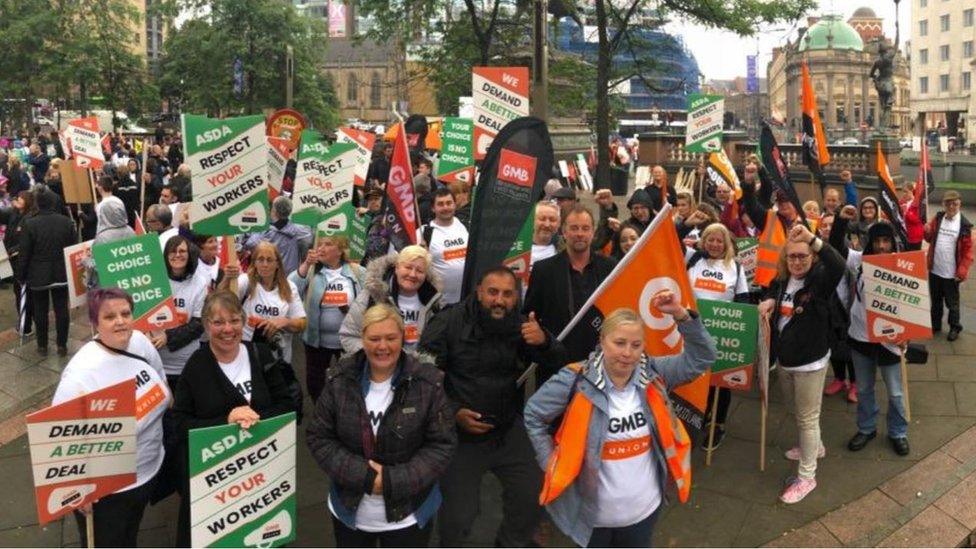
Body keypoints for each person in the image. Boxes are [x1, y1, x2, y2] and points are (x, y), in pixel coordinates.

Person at [524, 303, 716, 547]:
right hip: (593, 520)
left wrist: (681, 316)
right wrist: (550, 462)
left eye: (636, 345)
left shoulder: (654, 374)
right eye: (620, 343)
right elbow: (533, 415)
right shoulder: (575, 380)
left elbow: (703, 357)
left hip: (644, 513)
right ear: (603, 340)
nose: (628, 353)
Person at [418, 266, 565, 547]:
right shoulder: (448, 322)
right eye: (493, 292)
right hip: (460, 437)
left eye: (508, 294)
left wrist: (545, 341)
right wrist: (453, 411)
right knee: (458, 518)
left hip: (506, 429)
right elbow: (421, 380)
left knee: (534, 494)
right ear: (479, 292)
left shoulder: (521, 325)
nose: (499, 300)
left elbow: (558, 361)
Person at [306, 303, 457, 547]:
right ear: (362, 338)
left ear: (403, 338)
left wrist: (392, 481)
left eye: (390, 338)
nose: (383, 346)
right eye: (374, 338)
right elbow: (318, 437)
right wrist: (365, 477)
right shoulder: (339, 379)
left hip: (408, 516)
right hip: (349, 513)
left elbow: (441, 446)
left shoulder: (428, 383)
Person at [171, 291, 295, 546]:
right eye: (218, 322)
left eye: (234, 320)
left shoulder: (260, 354)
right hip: (214, 488)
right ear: (206, 326)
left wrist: (255, 418)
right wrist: (226, 421)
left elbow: (287, 405)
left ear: (244, 321)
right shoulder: (196, 366)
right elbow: (178, 424)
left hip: (262, 480)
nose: (228, 329)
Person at [54, 288, 171, 547]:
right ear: (95, 323)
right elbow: (59, 440)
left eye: (125, 313)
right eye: (109, 316)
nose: (120, 321)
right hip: (108, 490)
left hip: (147, 472)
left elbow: (162, 383)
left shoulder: (140, 342)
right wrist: (77, 490)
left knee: (129, 536)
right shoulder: (81, 373)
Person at [758, 223, 846, 503]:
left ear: (812, 258)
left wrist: (812, 238)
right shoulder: (783, 279)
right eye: (792, 256)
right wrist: (770, 300)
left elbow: (838, 264)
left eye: (803, 256)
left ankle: (807, 476)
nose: (797, 262)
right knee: (794, 409)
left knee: (808, 418)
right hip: (785, 359)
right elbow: (773, 288)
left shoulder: (820, 280)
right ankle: (814, 446)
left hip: (810, 362)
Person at [830, 210, 912, 456]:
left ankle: (898, 432)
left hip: (891, 340)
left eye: (886, 241)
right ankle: (866, 428)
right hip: (861, 337)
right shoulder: (858, 260)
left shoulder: (903, 265)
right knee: (864, 389)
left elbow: (914, 303)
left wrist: (909, 332)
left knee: (896, 393)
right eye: (877, 241)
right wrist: (841, 220)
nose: (881, 246)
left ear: (892, 242)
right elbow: (835, 246)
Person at [525, 205, 617, 379]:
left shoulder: (610, 267)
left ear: (593, 232)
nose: (580, 233)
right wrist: (540, 339)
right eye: (574, 228)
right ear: (564, 232)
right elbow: (530, 316)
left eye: (585, 228)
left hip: (601, 364)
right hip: (557, 366)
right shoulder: (543, 270)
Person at [686, 223, 750, 450]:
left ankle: (718, 424)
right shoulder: (693, 260)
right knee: (695, 378)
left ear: (726, 244)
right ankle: (700, 416)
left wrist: (736, 325)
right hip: (692, 332)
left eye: (719, 241)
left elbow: (743, 300)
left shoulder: (736, 268)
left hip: (722, 333)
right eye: (710, 239)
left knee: (721, 382)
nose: (714, 244)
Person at [290, 236, 366, 402]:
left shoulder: (357, 271)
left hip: (349, 340)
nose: (321, 248)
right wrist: (306, 264)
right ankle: (321, 412)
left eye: (328, 244)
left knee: (350, 381)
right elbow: (290, 287)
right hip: (316, 341)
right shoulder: (312, 270)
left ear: (340, 251)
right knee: (315, 383)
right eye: (319, 244)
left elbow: (372, 296)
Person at [340, 245, 442, 354]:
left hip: (417, 368)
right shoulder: (372, 295)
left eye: (420, 271)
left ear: (426, 274)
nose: (413, 274)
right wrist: (377, 356)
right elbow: (348, 336)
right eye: (408, 267)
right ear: (397, 267)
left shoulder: (434, 301)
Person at [221, 241, 307, 364]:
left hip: (277, 360)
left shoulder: (289, 288)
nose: (265, 264)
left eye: (269, 260)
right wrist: (227, 279)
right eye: (260, 259)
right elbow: (221, 303)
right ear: (254, 263)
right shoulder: (246, 282)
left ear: (277, 264)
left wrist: (284, 322)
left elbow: (302, 323)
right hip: (247, 357)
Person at [18, 189, 76, 356]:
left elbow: (25, 253)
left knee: (40, 310)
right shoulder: (66, 222)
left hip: (38, 274)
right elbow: (72, 247)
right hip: (61, 272)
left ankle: (42, 345)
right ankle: (61, 345)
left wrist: (21, 275)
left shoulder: (30, 223)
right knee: (61, 309)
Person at [156, 235, 208, 385]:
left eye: (182, 251)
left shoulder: (199, 283)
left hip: (186, 364)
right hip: (156, 362)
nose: (177, 254)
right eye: (172, 251)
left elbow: (199, 324)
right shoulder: (155, 280)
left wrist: (168, 337)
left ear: (189, 254)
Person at [925, 190, 973, 341]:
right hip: (935, 269)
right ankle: (935, 324)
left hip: (951, 273)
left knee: (952, 303)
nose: (951, 206)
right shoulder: (938, 218)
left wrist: (962, 271)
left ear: (959, 204)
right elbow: (929, 239)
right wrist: (926, 231)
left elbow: (969, 252)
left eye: (955, 203)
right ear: (943, 204)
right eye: (948, 203)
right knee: (936, 301)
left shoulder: (964, 225)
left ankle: (954, 327)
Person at [417, 187, 468, 305]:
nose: (445, 207)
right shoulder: (423, 233)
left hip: (465, 301)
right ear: (433, 208)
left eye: (449, 203)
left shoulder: (465, 225)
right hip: (439, 304)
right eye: (440, 204)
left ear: (455, 205)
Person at [0, 190, 35, 336]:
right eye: (18, 197)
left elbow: (27, 242)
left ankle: (25, 325)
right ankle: (25, 320)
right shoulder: (14, 213)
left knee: (23, 292)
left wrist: (13, 250)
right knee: (18, 292)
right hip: (12, 260)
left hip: (22, 261)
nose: (18, 199)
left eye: (21, 198)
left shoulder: (30, 218)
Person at [900, 183, 925, 251]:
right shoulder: (903, 202)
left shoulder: (916, 203)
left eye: (906, 191)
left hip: (915, 237)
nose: (904, 194)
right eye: (903, 191)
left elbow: (916, 220)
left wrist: (906, 212)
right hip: (906, 235)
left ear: (911, 191)